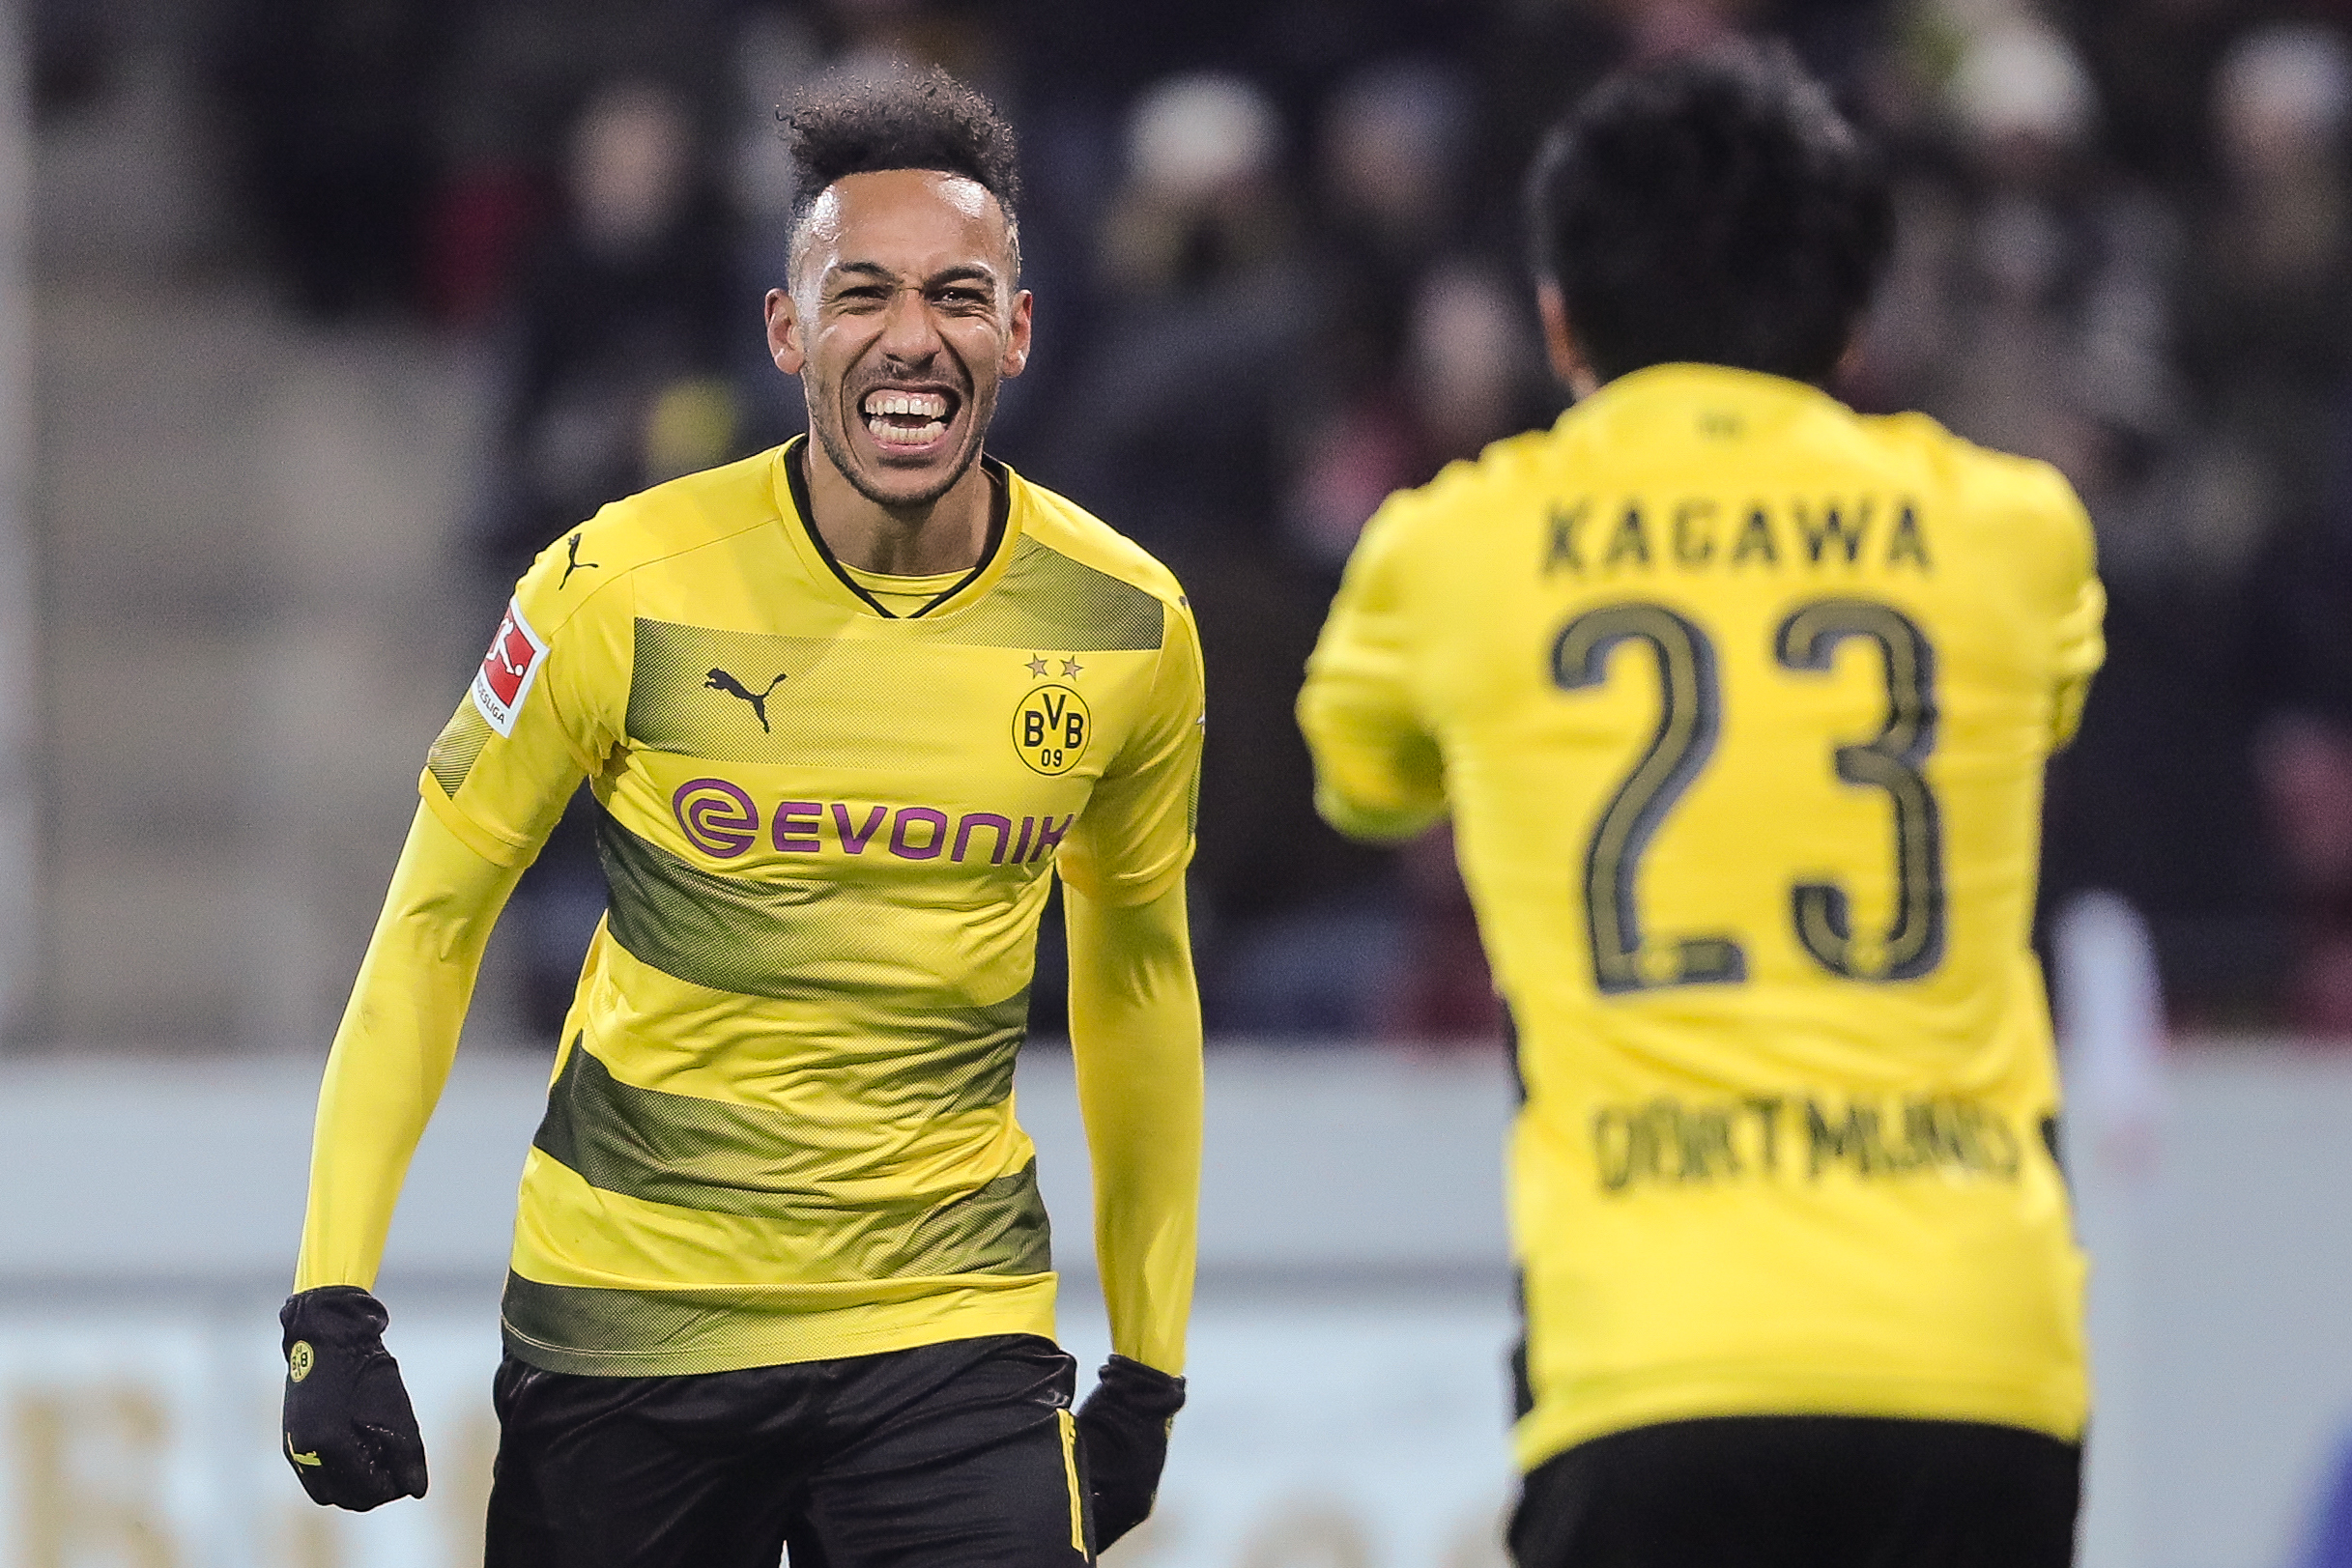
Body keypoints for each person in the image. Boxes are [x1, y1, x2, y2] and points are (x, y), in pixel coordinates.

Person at [277, 66, 1205, 1568]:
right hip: (629, 1324)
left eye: (959, 295)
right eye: (863, 295)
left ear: (1018, 333)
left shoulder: (1127, 626)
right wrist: (331, 1301)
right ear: (787, 332)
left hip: (946, 1329)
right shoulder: (614, 585)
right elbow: (433, 925)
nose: (912, 336)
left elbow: (1139, 980)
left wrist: (1149, 1366)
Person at [1299, 43, 2101, 1567]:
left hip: (1650, 1356)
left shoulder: (1449, 551)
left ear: (1557, 318)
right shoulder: (2014, 533)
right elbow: (2041, 703)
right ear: (1854, 321)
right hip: (1977, 1355)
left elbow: (1363, 779)